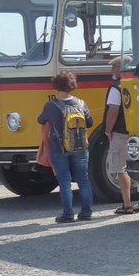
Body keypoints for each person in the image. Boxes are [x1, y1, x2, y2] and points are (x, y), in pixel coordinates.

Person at [38, 71, 93, 223]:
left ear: (56, 85)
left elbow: (40, 119)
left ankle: (68, 215)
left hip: (59, 148)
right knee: (84, 180)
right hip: (80, 147)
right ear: (72, 85)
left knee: (64, 182)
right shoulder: (81, 103)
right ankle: (86, 212)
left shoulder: (51, 105)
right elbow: (89, 122)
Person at [104, 56, 139, 213]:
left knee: (120, 168)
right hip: (138, 132)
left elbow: (113, 111)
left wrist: (107, 131)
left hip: (121, 133)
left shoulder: (116, 87)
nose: (112, 71)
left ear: (120, 68)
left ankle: (127, 204)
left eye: (114, 67)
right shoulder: (138, 84)